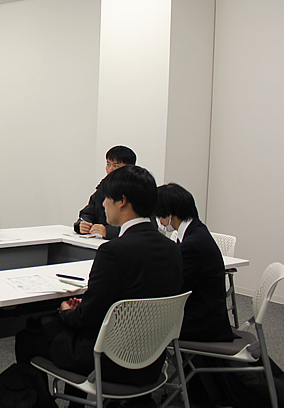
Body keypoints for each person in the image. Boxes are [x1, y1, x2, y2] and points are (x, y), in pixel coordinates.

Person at [15, 165, 182, 396]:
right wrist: (84, 309)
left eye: (106, 198)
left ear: (121, 201)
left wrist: (67, 310)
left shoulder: (113, 251)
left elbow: (87, 320)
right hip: (151, 362)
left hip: (108, 361)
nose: (103, 204)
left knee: (29, 337)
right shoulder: (173, 249)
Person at [154, 183, 234, 342]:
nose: (158, 221)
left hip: (202, 322)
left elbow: (176, 287)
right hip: (203, 312)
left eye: (158, 216)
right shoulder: (196, 230)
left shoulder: (193, 244)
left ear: (170, 214)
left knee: (144, 326)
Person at [74, 145, 137, 240]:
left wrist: (109, 231)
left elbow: (139, 228)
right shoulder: (102, 189)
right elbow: (88, 212)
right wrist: (83, 224)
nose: (110, 169)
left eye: (116, 166)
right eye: (108, 164)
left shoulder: (137, 191)